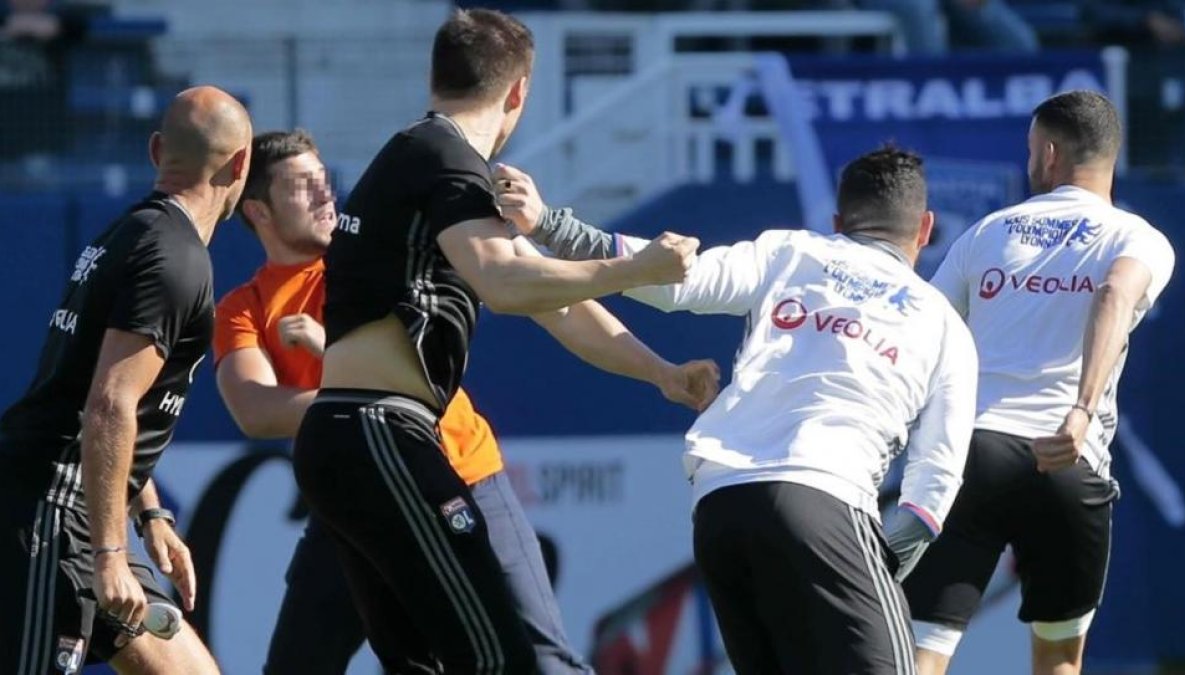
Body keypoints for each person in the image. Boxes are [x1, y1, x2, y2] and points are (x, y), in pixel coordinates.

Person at [291, 8, 710, 672]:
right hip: (380, 432)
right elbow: (508, 284)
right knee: (505, 657)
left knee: (427, 662)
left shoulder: (426, 161)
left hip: (351, 436)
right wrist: (639, 267)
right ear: (518, 92)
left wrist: (658, 371)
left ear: (436, 75)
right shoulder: (444, 156)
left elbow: (558, 305)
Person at [498, 146, 979, 674]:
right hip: (826, 498)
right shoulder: (943, 322)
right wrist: (877, 571)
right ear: (927, 227)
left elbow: (666, 278)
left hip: (721, 505)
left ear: (838, 223)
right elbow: (934, 486)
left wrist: (547, 223)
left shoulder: (790, 251)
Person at [899, 90, 1176, 675]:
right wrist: (1080, 409)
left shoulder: (987, 232)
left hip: (974, 453)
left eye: (1031, 150)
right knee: (1058, 661)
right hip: (1067, 460)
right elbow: (1115, 293)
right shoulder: (1139, 238)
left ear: (1049, 154)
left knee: (924, 651)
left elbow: (923, 329)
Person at [0, 85, 252, 675]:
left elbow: (110, 399)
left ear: (157, 149)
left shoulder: (132, 233)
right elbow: (110, 403)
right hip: (51, 515)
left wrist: (152, 516)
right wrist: (112, 555)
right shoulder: (175, 258)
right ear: (241, 164)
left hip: (85, 508)